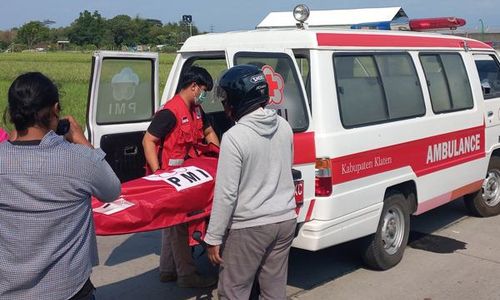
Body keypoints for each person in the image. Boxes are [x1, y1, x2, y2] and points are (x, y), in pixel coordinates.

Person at [0, 72, 121, 300]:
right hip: (67, 288)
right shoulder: (78, 159)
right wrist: (81, 140)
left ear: (13, 113)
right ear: (55, 110)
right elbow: (112, 190)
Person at [205, 64, 297, 299]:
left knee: (233, 290)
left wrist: (213, 237)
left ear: (238, 99)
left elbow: (226, 194)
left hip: (250, 226)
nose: (225, 105)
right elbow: (285, 170)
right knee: (274, 289)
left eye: (226, 99)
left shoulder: (235, 137)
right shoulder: (285, 127)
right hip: (285, 220)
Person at [142, 66, 219, 288]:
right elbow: (148, 141)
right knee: (179, 224)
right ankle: (187, 275)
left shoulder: (196, 110)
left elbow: (208, 132)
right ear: (193, 86)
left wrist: (220, 155)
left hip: (187, 176)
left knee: (172, 223)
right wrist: (158, 174)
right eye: (203, 90)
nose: (204, 95)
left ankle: (167, 270)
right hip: (170, 178)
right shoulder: (170, 112)